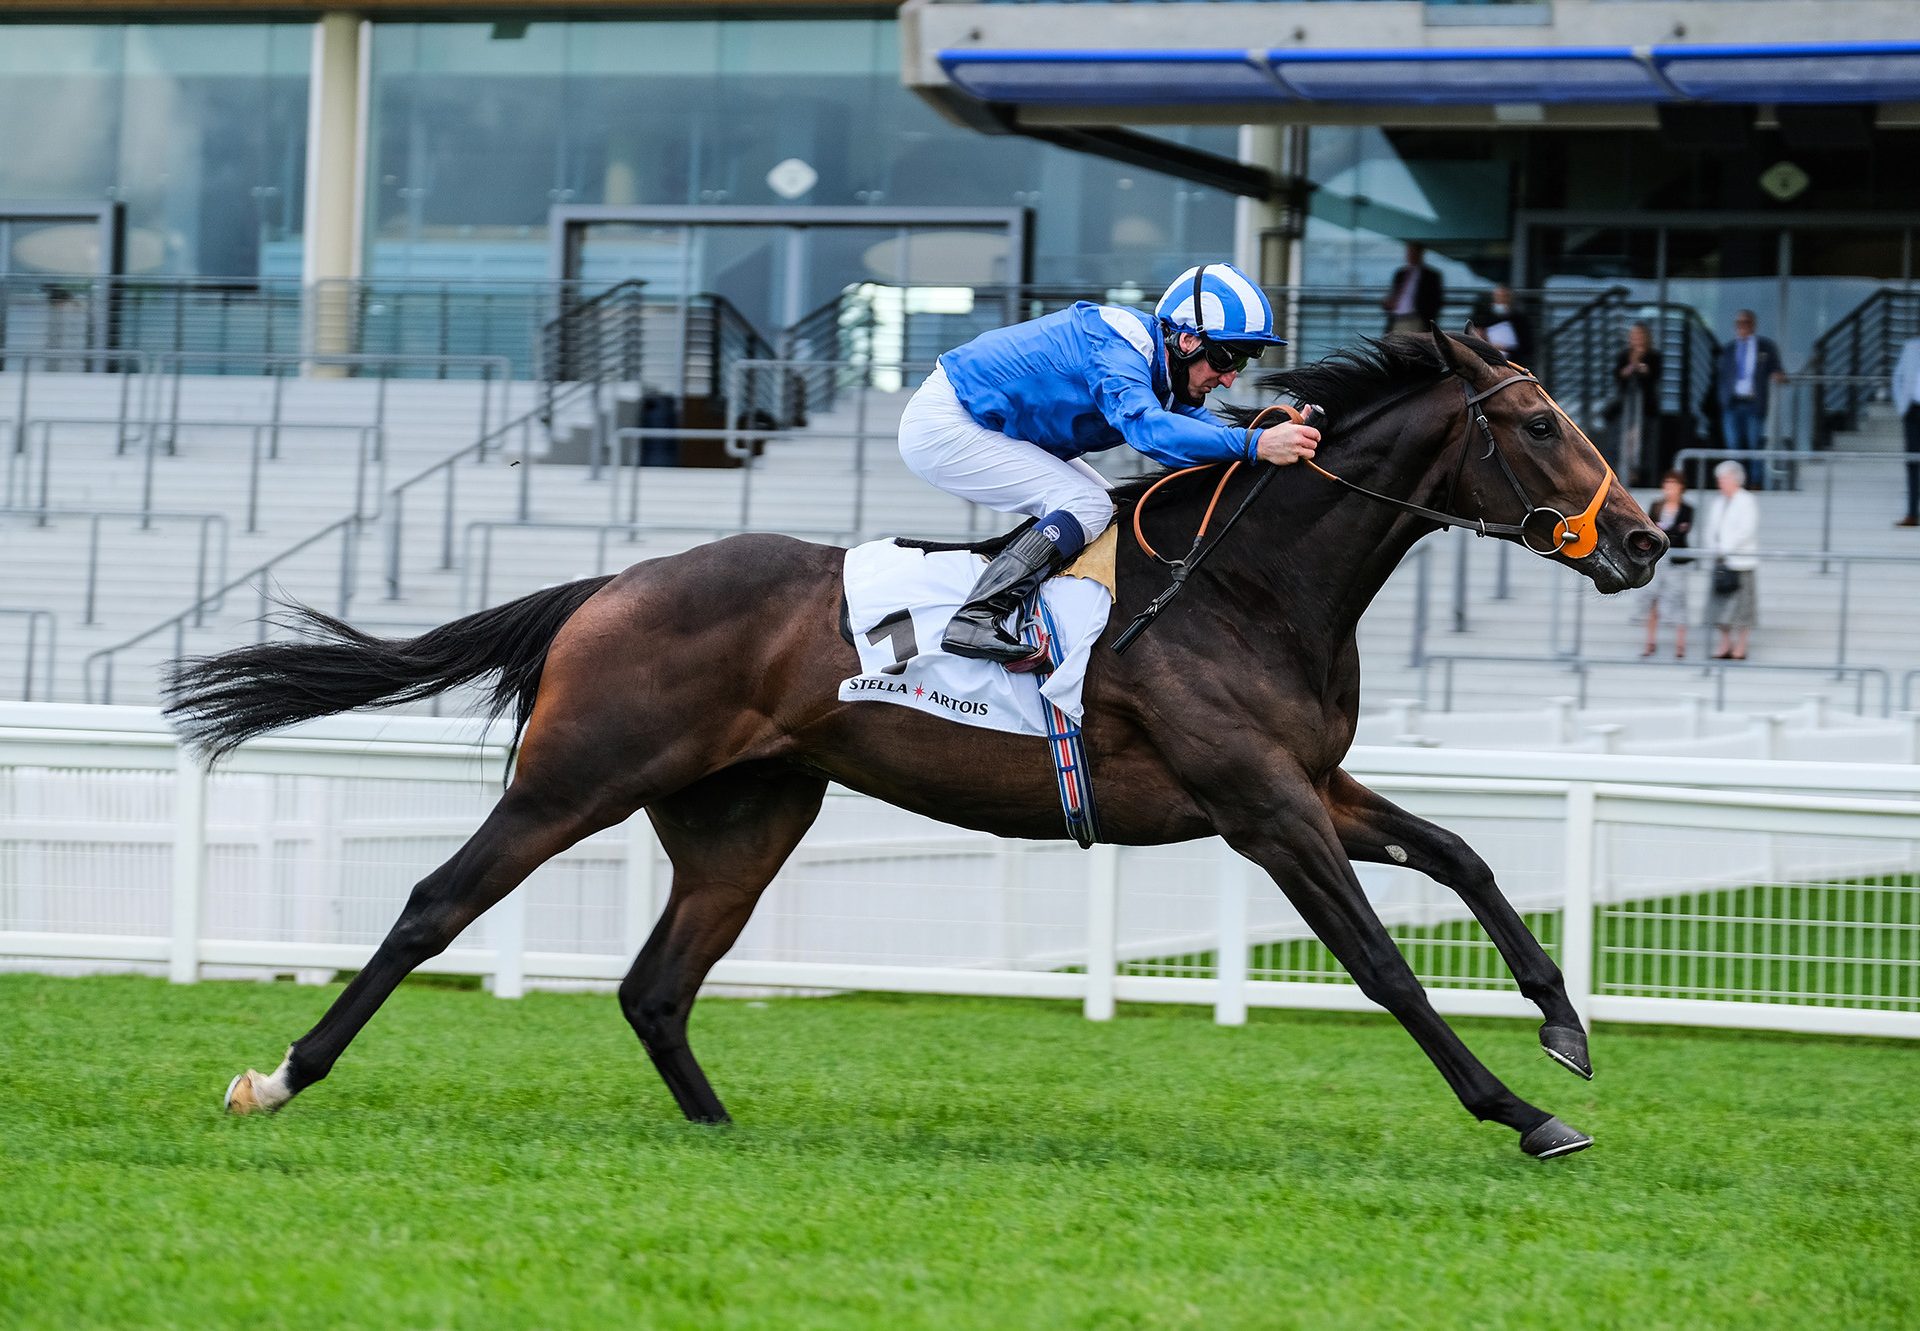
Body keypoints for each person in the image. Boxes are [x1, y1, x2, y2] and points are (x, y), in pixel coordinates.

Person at [897, 262, 1323, 668]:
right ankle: (974, 618)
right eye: (1227, 358)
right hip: (947, 422)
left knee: (1109, 509)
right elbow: (1150, 432)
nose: (1230, 378)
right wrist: (1256, 443)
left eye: (1244, 362)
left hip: (991, 425)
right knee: (1088, 506)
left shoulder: (1163, 367)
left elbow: (1204, 434)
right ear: (1187, 340)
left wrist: (1279, 432)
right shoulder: (1119, 344)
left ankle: (1034, 615)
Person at [1715, 309, 1785, 490]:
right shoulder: (1729, 348)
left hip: (1753, 403)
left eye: (1746, 323)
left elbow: (1777, 369)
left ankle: (1755, 482)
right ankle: (1736, 484)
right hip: (1732, 403)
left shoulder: (1765, 347)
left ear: (1753, 325)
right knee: (1733, 446)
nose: (1742, 327)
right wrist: (1723, 398)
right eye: (1739, 323)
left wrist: (1777, 375)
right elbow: (1722, 375)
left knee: (1754, 444)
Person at [1702, 459, 1759, 661]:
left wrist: (1726, 548)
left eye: (1723, 478)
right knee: (1719, 606)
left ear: (1735, 479)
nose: (1720, 482)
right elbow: (1711, 529)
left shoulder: (1746, 500)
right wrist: (1715, 548)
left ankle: (1741, 646)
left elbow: (1746, 530)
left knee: (1743, 608)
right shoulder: (1718, 502)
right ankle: (1725, 643)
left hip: (1741, 562)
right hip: (1720, 561)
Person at [1641, 470, 1694, 659]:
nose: (1669, 489)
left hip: (1677, 560)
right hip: (1658, 558)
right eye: (1667, 484)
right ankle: (1650, 642)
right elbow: (1649, 528)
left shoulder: (1687, 508)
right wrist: (1671, 531)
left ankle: (1680, 645)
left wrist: (1665, 530)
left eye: (1673, 484)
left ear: (1680, 487)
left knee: (1679, 599)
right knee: (1653, 599)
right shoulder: (1656, 505)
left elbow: (1681, 533)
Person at [1611, 322, 1663, 485]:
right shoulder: (1624, 356)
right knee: (1625, 441)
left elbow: (1654, 376)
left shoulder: (1654, 356)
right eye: (1634, 336)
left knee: (1644, 443)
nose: (1637, 339)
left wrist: (1641, 367)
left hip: (1645, 409)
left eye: (1640, 336)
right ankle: (1625, 473)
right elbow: (1618, 376)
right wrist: (1632, 365)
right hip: (1627, 408)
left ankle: (1641, 474)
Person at [1381, 242, 1443, 335]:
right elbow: (1395, 294)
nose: (1409, 255)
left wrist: (1426, 320)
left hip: (1416, 319)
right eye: (1409, 252)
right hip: (1397, 319)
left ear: (1420, 254)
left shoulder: (1431, 276)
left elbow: (1435, 300)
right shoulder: (1400, 273)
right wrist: (1389, 303)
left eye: (1412, 252)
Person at [1468, 284, 1532, 363]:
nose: (1501, 299)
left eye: (1504, 296)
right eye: (1498, 296)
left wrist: (1505, 348)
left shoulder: (1518, 318)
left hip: (1513, 358)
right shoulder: (1483, 316)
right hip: (1487, 355)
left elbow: (1526, 343)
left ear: (1510, 298)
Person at [1895, 333, 1920, 528]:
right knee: (1912, 462)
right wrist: (1902, 406)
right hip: (1912, 410)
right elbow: (1897, 377)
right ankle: (1912, 513)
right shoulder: (1911, 346)